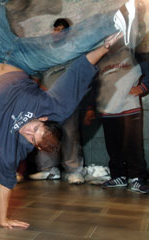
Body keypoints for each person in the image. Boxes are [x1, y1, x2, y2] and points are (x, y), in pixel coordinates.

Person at [0, 0, 136, 229]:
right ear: (43, 120)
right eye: (35, 129)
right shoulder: (54, 108)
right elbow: (79, 72)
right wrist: (106, 47)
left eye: (31, 138)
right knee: (67, 48)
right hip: (24, 60)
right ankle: (118, 17)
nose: (28, 133)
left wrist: (3, 219)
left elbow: (6, 183)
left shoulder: (12, 147)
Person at [84, 3, 149, 194]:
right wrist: (91, 107)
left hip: (129, 107)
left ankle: (137, 178)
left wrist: (143, 87)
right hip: (108, 109)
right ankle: (118, 176)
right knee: (113, 146)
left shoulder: (132, 49)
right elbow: (94, 83)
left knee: (133, 145)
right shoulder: (101, 55)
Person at [29, 18, 86, 184]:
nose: (57, 33)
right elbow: (36, 77)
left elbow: (81, 77)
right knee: (45, 134)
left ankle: (74, 170)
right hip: (47, 102)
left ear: (67, 33)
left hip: (68, 102)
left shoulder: (74, 52)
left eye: (61, 30)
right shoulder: (45, 53)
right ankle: (48, 169)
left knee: (70, 135)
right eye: (55, 29)